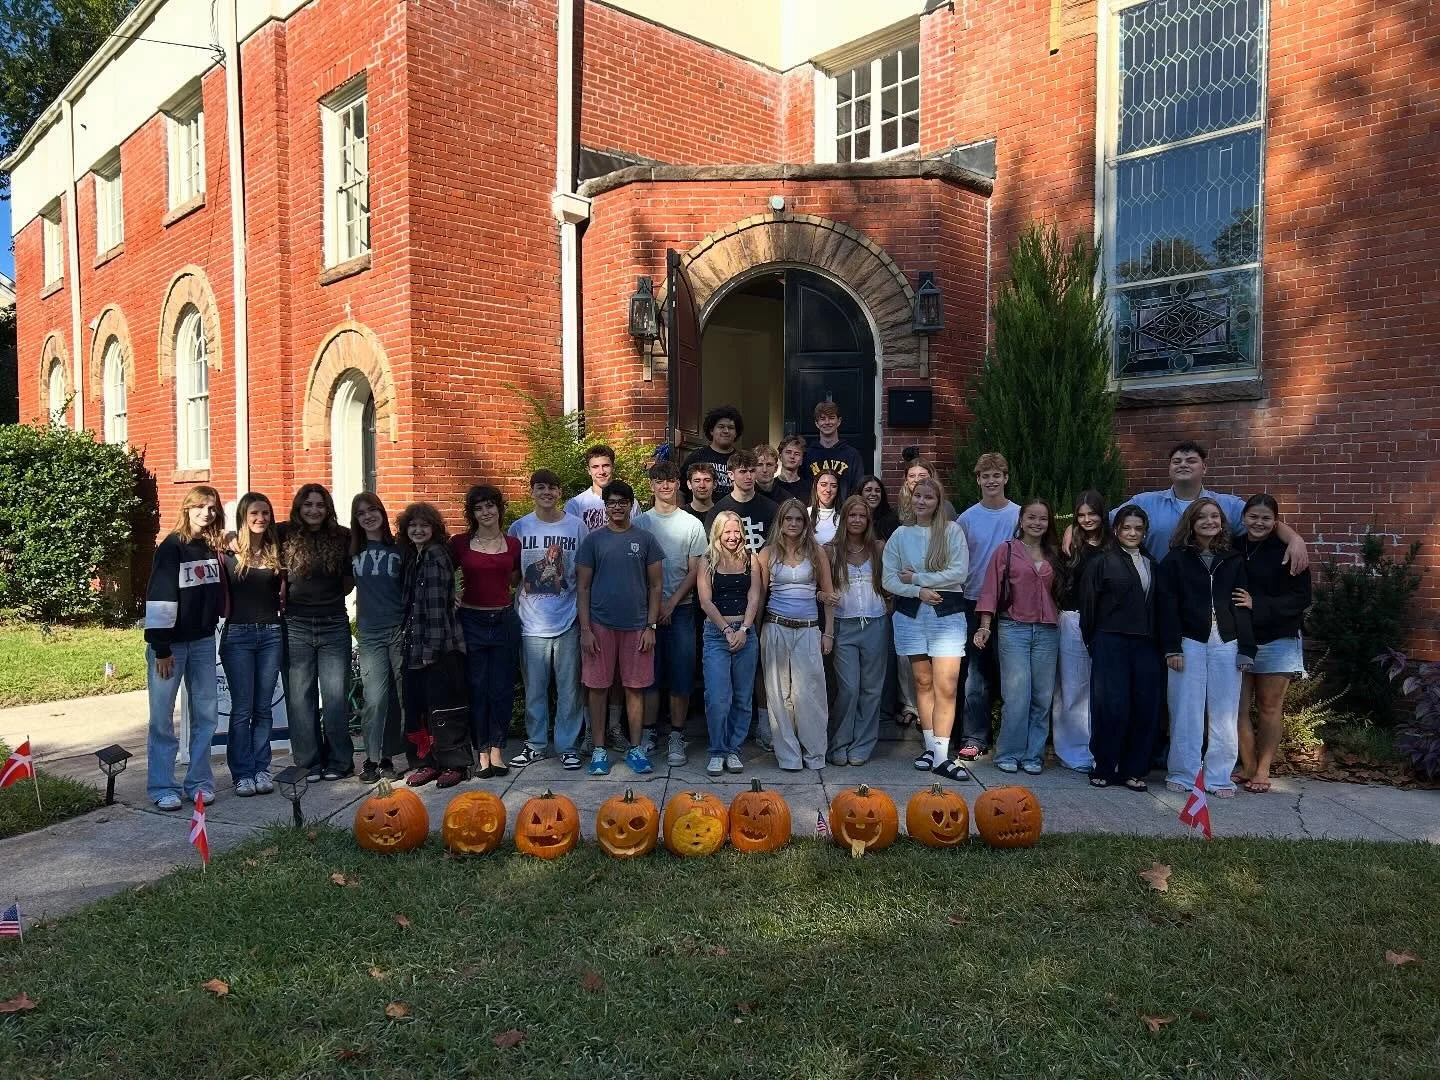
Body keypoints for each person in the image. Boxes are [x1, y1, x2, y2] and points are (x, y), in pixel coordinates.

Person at [1158, 497, 1256, 798]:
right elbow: (1167, 605)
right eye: (1202, 517)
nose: (1209, 521)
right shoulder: (1175, 559)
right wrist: (1171, 647)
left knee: (1224, 711)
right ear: (1191, 522)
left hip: (1226, 641)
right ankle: (1183, 772)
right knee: (1185, 708)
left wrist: (1246, 648)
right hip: (1188, 641)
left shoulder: (1234, 559)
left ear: (1223, 522)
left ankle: (1218, 777)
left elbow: (1242, 604)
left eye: (1215, 516)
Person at [882, 476, 970, 781]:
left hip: (948, 612)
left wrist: (917, 578)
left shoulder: (952, 531)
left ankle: (944, 756)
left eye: (928, 498)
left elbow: (959, 572)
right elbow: (889, 580)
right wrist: (917, 591)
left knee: (946, 684)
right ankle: (931, 748)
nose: (922, 502)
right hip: (911, 612)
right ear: (910, 499)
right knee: (922, 682)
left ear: (938, 502)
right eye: (917, 496)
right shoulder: (900, 535)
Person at [145, 485, 225, 810]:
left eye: (212, 507)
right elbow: (160, 595)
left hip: (203, 642)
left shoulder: (211, 546)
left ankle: (199, 782)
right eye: (200, 507)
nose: (207, 512)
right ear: (187, 509)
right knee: (162, 718)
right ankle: (163, 785)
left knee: (206, 714)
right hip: (171, 647)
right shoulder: (171, 547)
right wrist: (161, 647)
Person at [576, 479, 664, 776]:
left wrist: (651, 626)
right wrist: (585, 629)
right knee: (598, 688)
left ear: (631, 504)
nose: (617, 507)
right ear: (605, 505)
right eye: (611, 502)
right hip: (600, 626)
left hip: (637, 627)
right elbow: (583, 588)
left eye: (622, 502)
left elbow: (656, 585)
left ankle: (636, 749)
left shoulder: (646, 539)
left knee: (635, 687)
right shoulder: (593, 541)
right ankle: (599, 749)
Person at [1113, 441, 1309, 571]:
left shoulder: (1227, 505)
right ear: (1169, 468)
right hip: (1159, 590)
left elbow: (1262, 521)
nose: (1183, 465)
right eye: (1176, 461)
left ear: (1204, 468)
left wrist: (1295, 539)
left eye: (1191, 461)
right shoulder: (1144, 502)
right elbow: (1104, 522)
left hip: (1210, 595)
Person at [973, 499, 1063, 775]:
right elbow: (990, 590)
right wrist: (985, 626)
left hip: (1048, 630)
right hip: (1014, 628)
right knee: (1016, 695)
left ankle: (1034, 755)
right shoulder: (1007, 551)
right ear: (1021, 520)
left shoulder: (1054, 554)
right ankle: (1009, 753)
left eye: (1043, 519)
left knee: (1042, 696)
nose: (1037, 523)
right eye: (1031, 518)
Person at [1079, 504, 1164, 790]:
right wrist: (1094, 640)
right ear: (1116, 530)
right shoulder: (1101, 562)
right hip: (1110, 639)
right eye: (1126, 527)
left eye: (1138, 528)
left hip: (1146, 644)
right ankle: (1104, 766)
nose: (1132, 532)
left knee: (1144, 706)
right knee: (1111, 706)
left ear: (1145, 532)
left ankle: (1134, 770)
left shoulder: (1152, 563)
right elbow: (1088, 606)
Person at [1233, 494, 1312, 794]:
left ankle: (1264, 770)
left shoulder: (1289, 550)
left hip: (1277, 638)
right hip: (1239, 639)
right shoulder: (1233, 546)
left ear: (1276, 522)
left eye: (1266, 518)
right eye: (1253, 516)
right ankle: (1248, 765)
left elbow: (1301, 599)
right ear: (1243, 518)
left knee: (1269, 708)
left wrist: (1258, 604)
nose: (1259, 523)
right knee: (1238, 708)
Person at [507, 469, 585, 770]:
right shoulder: (519, 528)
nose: (547, 493)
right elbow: (512, 574)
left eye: (552, 487)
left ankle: (567, 746)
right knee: (535, 690)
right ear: (532, 492)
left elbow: (582, 574)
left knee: (569, 690)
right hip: (530, 622)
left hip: (567, 619)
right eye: (541, 488)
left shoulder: (576, 527)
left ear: (560, 492)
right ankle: (536, 744)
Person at [280, 484, 355, 781]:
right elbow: (250, 532)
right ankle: (308, 762)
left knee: (335, 697)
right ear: (299, 507)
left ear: (328, 509)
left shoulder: (342, 537)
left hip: (333, 624)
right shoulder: (283, 533)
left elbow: (348, 582)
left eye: (320, 505)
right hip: (295, 625)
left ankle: (340, 760)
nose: (314, 510)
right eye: (308, 504)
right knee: (300, 697)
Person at [635, 460, 707, 768]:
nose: (665, 486)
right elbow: (635, 571)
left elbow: (695, 572)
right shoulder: (641, 524)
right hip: (646, 613)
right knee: (649, 676)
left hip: (681, 610)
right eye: (659, 481)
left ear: (678, 485)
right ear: (651, 486)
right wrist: (653, 609)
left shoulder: (691, 524)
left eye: (670, 481)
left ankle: (677, 735)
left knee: (680, 674)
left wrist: (672, 604)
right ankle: (649, 732)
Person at [397, 503, 472, 788]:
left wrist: (431, 650)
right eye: (413, 526)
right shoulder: (414, 557)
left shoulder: (435, 555)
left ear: (434, 529)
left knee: (445, 708)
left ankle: (455, 764)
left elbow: (439, 606)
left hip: (438, 648)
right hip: (414, 646)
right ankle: (425, 763)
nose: (418, 530)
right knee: (418, 708)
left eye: (424, 526)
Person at [759, 499, 836, 770]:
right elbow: (759, 596)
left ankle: (815, 754)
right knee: (778, 695)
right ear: (780, 522)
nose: (793, 524)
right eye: (788, 519)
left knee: (811, 693)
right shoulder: (767, 553)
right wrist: (755, 630)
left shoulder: (817, 552)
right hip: (775, 625)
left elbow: (828, 595)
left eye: (798, 519)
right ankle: (788, 756)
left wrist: (828, 632)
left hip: (808, 628)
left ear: (806, 523)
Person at [453, 484, 522, 779]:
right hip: (472, 622)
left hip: (504, 621)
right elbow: (440, 572)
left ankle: (497, 749)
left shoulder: (513, 544)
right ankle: (481, 751)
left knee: (502, 689)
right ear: (472, 513)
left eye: (490, 506)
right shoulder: (460, 543)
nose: (486, 512)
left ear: (499, 509)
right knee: (477, 687)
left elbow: (517, 578)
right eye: (479, 508)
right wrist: (450, 594)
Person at [955, 453, 1020, 763]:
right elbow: (959, 560)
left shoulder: (1019, 516)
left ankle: (1011, 738)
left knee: (1011, 674)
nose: (991, 481)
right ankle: (974, 736)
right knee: (975, 675)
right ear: (977, 480)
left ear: (1006, 478)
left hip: (1011, 604)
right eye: (985, 476)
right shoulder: (967, 519)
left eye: (997, 475)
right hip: (973, 600)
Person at [220, 492, 283, 797]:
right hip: (238, 637)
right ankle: (242, 773)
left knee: (263, 709)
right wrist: (228, 534)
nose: (261, 519)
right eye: (254, 514)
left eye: (266, 513)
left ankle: (262, 768)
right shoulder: (227, 550)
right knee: (242, 709)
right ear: (243, 516)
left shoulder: (276, 551)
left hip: (271, 633)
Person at [696, 510, 763, 776]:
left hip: (746, 632)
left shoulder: (751, 559)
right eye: (727, 532)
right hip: (716, 633)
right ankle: (717, 750)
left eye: (737, 531)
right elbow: (705, 601)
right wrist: (726, 630)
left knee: (743, 698)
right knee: (717, 697)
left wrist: (744, 628)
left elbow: (754, 596)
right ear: (718, 534)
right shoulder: (707, 560)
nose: (733, 537)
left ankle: (734, 750)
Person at [826, 495, 889, 767]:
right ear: (844, 519)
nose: (857, 520)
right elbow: (821, 586)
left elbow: (892, 580)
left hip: (875, 622)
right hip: (844, 625)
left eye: (862, 516)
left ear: (868, 520)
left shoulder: (879, 548)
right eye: (852, 515)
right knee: (849, 688)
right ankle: (839, 743)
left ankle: (863, 745)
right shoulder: (830, 550)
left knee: (872, 689)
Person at [350, 493, 406, 783]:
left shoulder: (399, 549)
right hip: (371, 634)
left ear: (382, 513)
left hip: (398, 629)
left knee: (400, 697)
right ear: (356, 520)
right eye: (361, 513)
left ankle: (393, 756)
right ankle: (372, 759)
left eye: (373, 510)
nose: (368, 516)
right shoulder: (352, 551)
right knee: (375, 698)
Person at [1052, 491, 1109, 772]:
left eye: (1092, 513)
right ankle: (1072, 751)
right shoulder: (1071, 539)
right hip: (1073, 619)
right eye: (1082, 514)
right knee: (1072, 687)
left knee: (1099, 689)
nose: (1087, 519)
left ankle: (1098, 747)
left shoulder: (1112, 541)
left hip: (1104, 622)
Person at [704, 449, 777, 553]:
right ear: (731, 475)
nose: (748, 476)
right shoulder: (718, 512)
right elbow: (713, 549)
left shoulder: (772, 508)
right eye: (743, 471)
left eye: (752, 471)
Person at [566, 444, 637, 534]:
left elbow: (637, 535)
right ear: (588, 470)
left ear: (613, 467)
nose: (601, 472)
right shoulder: (575, 505)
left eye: (605, 466)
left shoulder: (630, 503)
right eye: (595, 467)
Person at [803, 400, 864, 499]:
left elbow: (858, 487)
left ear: (839, 421)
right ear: (816, 423)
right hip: (814, 510)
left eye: (831, 418)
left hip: (843, 510)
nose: (827, 422)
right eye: (822, 419)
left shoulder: (852, 455)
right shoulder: (808, 454)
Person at [681, 405, 743, 501]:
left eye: (731, 427)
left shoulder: (742, 460)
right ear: (711, 431)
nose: (726, 431)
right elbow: (680, 491)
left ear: (736, 433)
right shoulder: (696, 458)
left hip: (734, 515)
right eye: (721, 427)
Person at [772, 435, 812, 505]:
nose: (792, 456)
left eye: (797, 454)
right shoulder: (771, 486)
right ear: (780, 457)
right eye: (788, 452)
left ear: (801, 460)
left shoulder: (810, 488)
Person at [859, 474, 900, 541]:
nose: (874, 494)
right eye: (868, 490)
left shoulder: (891, 520)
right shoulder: (853, 517)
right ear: (860, 493)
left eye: (877, 491)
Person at [809, 470, 842, 544]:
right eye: (823, 485)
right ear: (815, 486)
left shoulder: (843, 516)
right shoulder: (805, 513)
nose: (828, 490)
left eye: (833, 486)